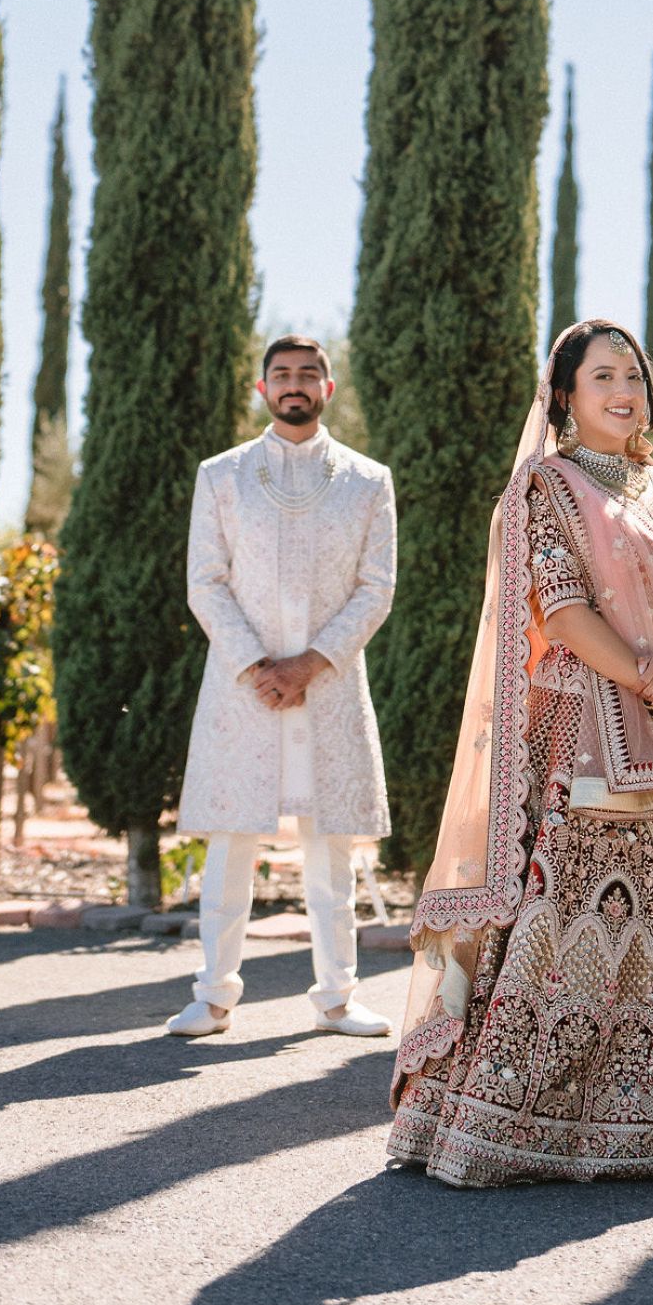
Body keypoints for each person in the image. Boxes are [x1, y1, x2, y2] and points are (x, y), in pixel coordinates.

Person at [387, 317, 653, 1184]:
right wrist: (647, 677)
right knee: (572, 920)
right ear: (565, 397)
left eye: (634, 376)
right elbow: (562, 611)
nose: (624, 392)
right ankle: (525, 1123)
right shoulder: (547, 488)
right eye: (603, 377)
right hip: (588, 734)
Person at [167, 336, 396, 1040]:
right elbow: (204, 581)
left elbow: (376, 587)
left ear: (328, 388)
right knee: (232, 843)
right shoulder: (223, 476)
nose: (294, 385)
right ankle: (213, 997)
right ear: (262, 389)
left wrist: (310, 664)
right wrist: (255, 666)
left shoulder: (366, 480)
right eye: (281, 375)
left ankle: (336, 998)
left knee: (330, 847)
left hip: (327, 686)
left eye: (308, 374)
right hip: (244, 688)